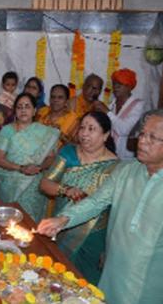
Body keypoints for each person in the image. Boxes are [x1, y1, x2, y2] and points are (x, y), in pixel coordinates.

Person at [37, 109, 163, 304]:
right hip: (111, 279)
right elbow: (96, 201)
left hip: (153, 290)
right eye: (142, 133)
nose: (142, 140)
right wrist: (63, 219)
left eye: (152, 137)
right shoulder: (127, 170)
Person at [40, 111, 118, 284]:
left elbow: (117, 211)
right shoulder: (69, 153)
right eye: (82, 127)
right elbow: (45, 183)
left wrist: (109, 248)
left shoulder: (115, 167)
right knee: (57, 276)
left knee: (85, 283)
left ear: (105, 135)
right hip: (62, 227)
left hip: (94, 235)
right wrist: (65, 189)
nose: (84, 133)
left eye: (91, 129)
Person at [0, 93, 59, 222]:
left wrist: (38, 168)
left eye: (27, 106)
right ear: (15, 111)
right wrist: (21, 168)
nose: (23, 110)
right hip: (10, 184)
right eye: (19, 107)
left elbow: (51, 158)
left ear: (34, 110)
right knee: (10, 223)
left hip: (34, 184)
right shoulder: (7, 131)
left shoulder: (45, 132)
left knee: (31, 224)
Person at [93, 68, 144, 160]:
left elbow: (124, 130)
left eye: (120, 84)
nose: (115, 87)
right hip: (108, 154)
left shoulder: (138, 105)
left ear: (129, 87)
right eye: (114, 83)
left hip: (126, 158)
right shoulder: (112, 104)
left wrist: (107, 112)